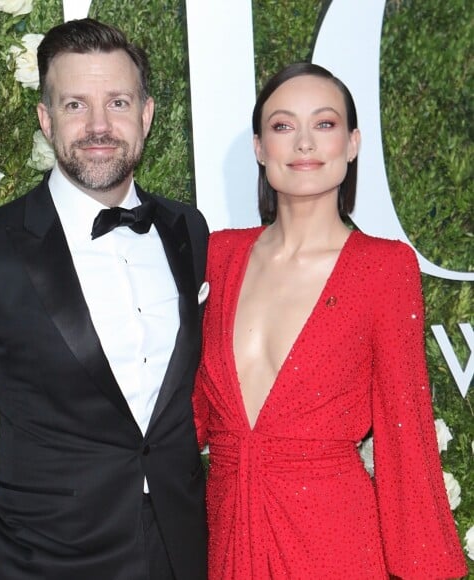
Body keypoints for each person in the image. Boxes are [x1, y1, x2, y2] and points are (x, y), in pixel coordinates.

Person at [0, 18, 208, 580]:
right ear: (45, 120)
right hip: (44, 560)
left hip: (180, 552)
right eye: (73, 106)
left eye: (117, 102)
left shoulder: (186, 229)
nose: (97, 125)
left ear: (146, 115)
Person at [193, 62, 467, 579]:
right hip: (228, 539)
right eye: (281, 126)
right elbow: (184, 416)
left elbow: (403, 430)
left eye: (324, 124)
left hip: (334, 542)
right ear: (259, 147)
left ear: (354, 142)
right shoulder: (219, 255)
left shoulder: (383, 268)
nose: (303, 144)